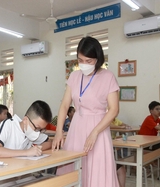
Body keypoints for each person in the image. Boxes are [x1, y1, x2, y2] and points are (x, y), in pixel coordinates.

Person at [52, 36, 120, 187]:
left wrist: (95, 132)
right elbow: (64, 105)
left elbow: (114, 109)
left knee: (95, 169)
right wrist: (58, 131)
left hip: (98, 128)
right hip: (77, 126)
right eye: (80, 60)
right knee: (73, 168)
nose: (84, 64)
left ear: (98, 59)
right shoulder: (74, 76)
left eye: (88, 61)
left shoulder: (107, 76)